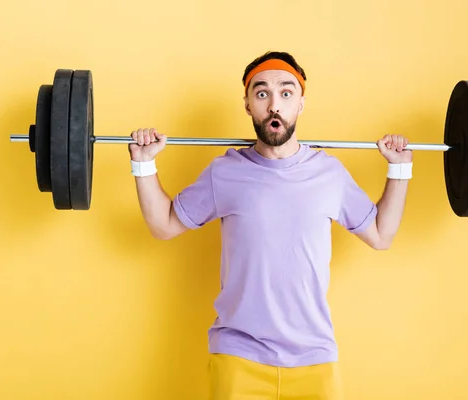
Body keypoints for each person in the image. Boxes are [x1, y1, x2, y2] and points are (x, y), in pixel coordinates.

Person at [128, 51, 412, 399]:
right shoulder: (225, 172)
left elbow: (382, 234)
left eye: (286, 93)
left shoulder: (329, 174)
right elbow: (165, 224)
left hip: (314, 357)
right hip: (239, 356)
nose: (274, 104)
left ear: (301, 104)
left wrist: (399, 168)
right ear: (248, 104)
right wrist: (143, 165)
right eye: (262, 93)